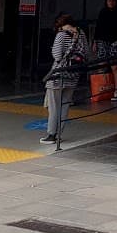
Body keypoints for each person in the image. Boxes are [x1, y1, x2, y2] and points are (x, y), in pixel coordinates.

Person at [42, 13, 88, 144]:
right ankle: (59, 135)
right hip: (73, 75)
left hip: (58, 75)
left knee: (54, 106)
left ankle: (51, 134)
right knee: (65, 105)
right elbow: (87, 52)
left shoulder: (61, 35)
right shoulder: (81, 34)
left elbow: (57, 56)